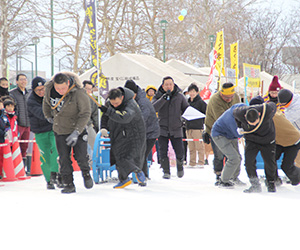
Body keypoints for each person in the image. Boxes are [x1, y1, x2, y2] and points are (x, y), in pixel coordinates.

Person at [43, 72, 93, 194]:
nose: (60, 91)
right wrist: (48, 116)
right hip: (60, 130)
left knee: (81, 156)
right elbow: (45, 103)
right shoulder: (49, 90)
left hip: (77, 129)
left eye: (63, 88)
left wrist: (77, 132)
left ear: (68, 83)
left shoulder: (79, 93)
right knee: (64, 159)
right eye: (58, 88)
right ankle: (68, 183)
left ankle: (86, 173)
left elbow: (85, 113)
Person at [99, 87, 147, 189]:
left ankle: (138, 171)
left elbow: (125, 117)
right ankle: (123, 179)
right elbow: (105, 116)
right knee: (118, 155)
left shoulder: (131, 104)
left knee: (129, 156)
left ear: (122, 97)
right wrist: (103, 127)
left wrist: (109, 111)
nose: (114, 105)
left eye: (117, 103)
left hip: (134, 134)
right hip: (118, 132)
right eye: (113, 104)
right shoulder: (110, 104)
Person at [250, 95, 300, 186]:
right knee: (270, 159)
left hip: (293, 141)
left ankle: (297, 179)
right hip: (280, 141)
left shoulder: (269, 117)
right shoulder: (270, 112)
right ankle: (274, 179)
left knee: (286, 166)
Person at [233, 102, 277, 193]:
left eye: (255, 122)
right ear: (245, 116)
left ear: (259, 115)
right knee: (249, 162)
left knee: (269, 162)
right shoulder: (240, 112)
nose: (253, 125)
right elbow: (235, 115)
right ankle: (255, 184)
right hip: (251, 140)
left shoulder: (267, 110)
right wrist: (239, 126)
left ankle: (271, 182)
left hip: (267, 139)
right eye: (250, 123)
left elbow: (274, 104)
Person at [202, 82, 240, 185]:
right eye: (226, 97)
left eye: (231, 97)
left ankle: (234, 177)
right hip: (216, 130)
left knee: (235, 155)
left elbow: (239, 112)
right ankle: (219, 174)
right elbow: (222, 118)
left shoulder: (236, 97)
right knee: (219, 154)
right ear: (221, 94)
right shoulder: (215, 100)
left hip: (232, 130)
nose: (229, 99)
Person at [27, 76, 61, 190]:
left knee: (56, 150)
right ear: (34, 90)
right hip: (40, 132)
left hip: (53, 129)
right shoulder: (31, 101)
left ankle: (55, 174)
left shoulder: (52, 95)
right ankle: (49, 180)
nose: (41, 92)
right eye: (38, 90)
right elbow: (42, 114)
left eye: (43, 89)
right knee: (45, 156)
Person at [152, 76, 189, 179]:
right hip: (162, 128)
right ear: (163, 86)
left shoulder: (180, 96)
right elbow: (153, 108)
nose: (169, 86)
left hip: (176, 128)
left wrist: (185, 120)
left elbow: (186, 109)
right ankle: (166, 171)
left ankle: (180, 167)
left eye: (170, 84)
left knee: (180, 151)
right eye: (166, 84)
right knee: (163, 151)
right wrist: (163, 98)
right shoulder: (158, 95)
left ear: (173, 85)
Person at [124, 80, 160, 182]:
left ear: (134, 93)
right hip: (143, 132)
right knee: (141, 154)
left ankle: (142, 176)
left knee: (141, 154)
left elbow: (142, 119)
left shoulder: (143, 102)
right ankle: (143, 175)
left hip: (150, 132)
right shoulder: (133, 100)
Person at [211, 103, 246, 188]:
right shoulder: (231, 119)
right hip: (219, 135)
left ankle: (233, 177)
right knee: (234, 158)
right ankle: (224, 181)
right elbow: (239, 134)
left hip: (230, 134)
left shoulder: (243, 108)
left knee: (238, 157)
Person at [9, 73, 31, 173]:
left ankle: (23, 168)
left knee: (25, 146)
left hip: (28, 123)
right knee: (16, 145)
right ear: (17, 81)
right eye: (21, 79)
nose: (23, 81)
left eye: (25, 79)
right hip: (18, 124)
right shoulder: (13, 93)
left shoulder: (29, 93)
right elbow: (13, 107)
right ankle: (15, 167)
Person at [185, 83, 207, 168]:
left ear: (197, 92)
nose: (192, 93)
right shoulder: (187, 102)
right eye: (190, 92)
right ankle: (192, 162)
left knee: (199, 146)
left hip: (197, 127)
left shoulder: (201, 102)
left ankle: (201, 162)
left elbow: (205, 114)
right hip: (188, 126)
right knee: (191, 146)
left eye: (193, 91)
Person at [278, 89, 300, 168]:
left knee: (298, 158)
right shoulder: (292, 104)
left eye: (284, 104)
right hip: (297, 135)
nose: (283, 106)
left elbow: (286, 122)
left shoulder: (297, 107)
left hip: (297, 135)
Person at [83, 80, 99, 162]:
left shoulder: (92, 100)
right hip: (75, 126)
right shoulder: (76, 98)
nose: (88, 91)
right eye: (86, 89)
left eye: (90, 89)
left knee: (96, 145)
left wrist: (98, 128)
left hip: (88, 125)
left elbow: (95, 115)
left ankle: (95, 163)